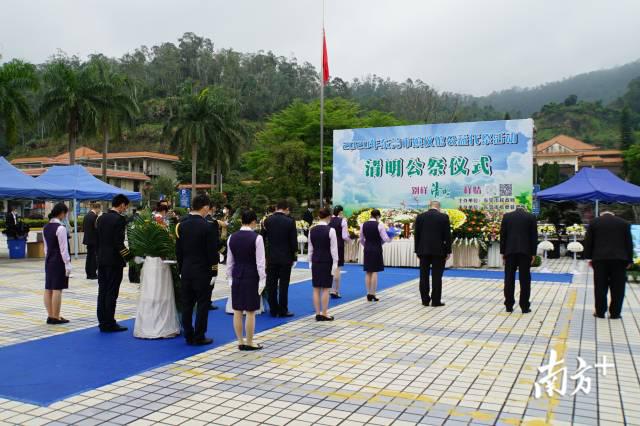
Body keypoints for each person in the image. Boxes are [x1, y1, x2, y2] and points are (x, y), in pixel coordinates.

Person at [176, 194, 217, 345]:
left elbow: (178, 251)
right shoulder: (208, 226)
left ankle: (188, 333)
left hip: (186, 270)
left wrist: (181, 269)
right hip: (203, 271)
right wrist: (214, 271)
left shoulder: (181, 225)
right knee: (202, 304)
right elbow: (212, 252)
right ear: (205, 207)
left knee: (186, 304)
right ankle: (199, 335)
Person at [227, 210, 266, 350]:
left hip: (237, 275)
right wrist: (263, 280)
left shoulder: (232, 237)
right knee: (250, 311)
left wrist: (229, 277)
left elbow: (229, 261)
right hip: (251, 276)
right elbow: (260, 263)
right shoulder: (257, 238)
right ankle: (249, 341)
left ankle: (240, 341)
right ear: (253, 222)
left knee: (237, 310)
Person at [584, 211, 633, 319]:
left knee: (600, 286)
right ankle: (615, 313)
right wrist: (630, 260)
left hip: (599, 259)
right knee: (618, 287)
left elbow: (588, 241)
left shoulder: (594, 222)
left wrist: (588, 257)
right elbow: (629, 243)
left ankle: (600, 312)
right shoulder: (624, 223)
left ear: (601, 214)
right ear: (613, 214)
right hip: (619, 259)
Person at [96, 194, 132, 332]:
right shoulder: (119, 219)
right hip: (114, 261)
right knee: (112, 292)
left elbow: (98, 240)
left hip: (102, 259)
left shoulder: (101, 218)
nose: (125, 209)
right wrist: (130, 257)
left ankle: (102, 321)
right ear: (122, 205)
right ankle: (110, 322)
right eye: (125, 206)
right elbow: (119, 243)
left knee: (102, 290)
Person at [500, 205, 538, 313]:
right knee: (525, 280)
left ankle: (509, 305)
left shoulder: (507, 216)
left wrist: (503, 252)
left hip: (510, 251)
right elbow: (533, 237)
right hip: (525, 252)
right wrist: (533, 253)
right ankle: (524, 306)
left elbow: (503, 235)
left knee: (509, 279)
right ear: (525, 209)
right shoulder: (531, 217)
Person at [262, 200, 297, 317]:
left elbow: (262, 239)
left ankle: (273, 309)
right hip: (286, 258)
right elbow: (293, 242)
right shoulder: (290, 221)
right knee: (283, 285)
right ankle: (283, 310)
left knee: (271, 284)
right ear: (286, 209)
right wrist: (294, 257)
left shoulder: (267, 221)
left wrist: (265, 255)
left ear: (277, 208)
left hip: (271, 257)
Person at [414, 200, 452, 307]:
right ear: (438, 207)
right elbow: (447, 236)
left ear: (429, 206)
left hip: (423, 250)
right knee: (437, 276)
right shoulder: (443, 217)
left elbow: (417, 235)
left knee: (423, 276)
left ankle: (425, 300)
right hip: (439, 251)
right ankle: (436, 301)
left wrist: (417, 250)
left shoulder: (420, 217)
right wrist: (448, 251)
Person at [43, 203, 72, 325]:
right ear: (62, 213)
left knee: (48, 288)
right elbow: (64, 249)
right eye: (66, 213)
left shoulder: (45, 227)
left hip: (49, 260)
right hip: (59, 261)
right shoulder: (61, 228)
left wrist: (48, 258)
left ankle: (50, 315)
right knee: (57, 289)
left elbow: (46, 248)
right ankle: (56, 316)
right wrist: (68, 263)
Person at [309, 208, 338, 321]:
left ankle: (317, 313)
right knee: (326, 288)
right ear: (328, 217)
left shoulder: (312, 230)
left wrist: (310, 262)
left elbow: (311, 249)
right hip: (327, 261)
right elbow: (333, 250)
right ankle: (325, 313)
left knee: (316, 288)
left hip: (315, 260)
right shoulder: (331, 230)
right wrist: (335, 264)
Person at [359, 209, 391, 301]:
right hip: (376, 249)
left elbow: (361, 239)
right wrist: (390, 238)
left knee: (368, 271)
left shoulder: (363, 224)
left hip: (367, 249)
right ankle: (373, 293)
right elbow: (385, 238)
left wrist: (366, 245)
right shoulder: (379, 224)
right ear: (377, 216)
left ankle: (368, 293)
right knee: (374, 271)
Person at [329, 205, 350, 298]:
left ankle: (329, 289)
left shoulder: (328, 220)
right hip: (339, 246)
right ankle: (335, 291)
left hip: (328, 245)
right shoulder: (343, 221)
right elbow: (344, 236)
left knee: (329, 267)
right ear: (340, 212)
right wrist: (350, 240)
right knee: (337, 268)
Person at [204, 203, 222, 311]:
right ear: (211, 209)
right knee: (211, 279)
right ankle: (207, 301)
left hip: (198, 257)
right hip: (212, 257)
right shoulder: (213, 222)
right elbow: (216, 241)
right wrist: (224, 251)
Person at [82, 202, 101, 280]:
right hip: (94, 240)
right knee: (93, 257)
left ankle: (88, 273)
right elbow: (97, 229)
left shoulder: (86, 216)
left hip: (87, 239)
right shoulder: (95, 216)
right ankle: (92, 274)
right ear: (98, 208)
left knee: (89, 257)